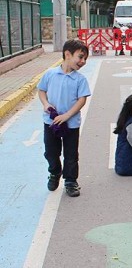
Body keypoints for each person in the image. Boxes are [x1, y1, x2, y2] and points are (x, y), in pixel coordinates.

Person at [37, 39, 91, 197]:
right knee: (51, 152)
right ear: (67, 54)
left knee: (71, 154)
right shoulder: (50, 74)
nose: (83, 61)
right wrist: (46, 104)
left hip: (71, 124)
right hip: (51, 122)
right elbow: (41, 91)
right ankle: (55, 173)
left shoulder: (80, 79)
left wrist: (67, 115)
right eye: (80, 57)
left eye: (85, 59)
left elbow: (82, 100)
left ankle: (71, 181)